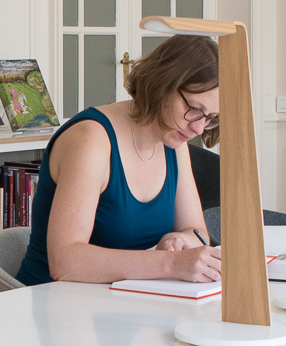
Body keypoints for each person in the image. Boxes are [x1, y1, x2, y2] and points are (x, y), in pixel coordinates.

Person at [15, 36, 220, 285]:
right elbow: (66, 263)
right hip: (53, 303)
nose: (199, 128)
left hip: (117, 302)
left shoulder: (174, 141)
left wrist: (182, 241)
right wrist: (172, 264)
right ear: (162, 84)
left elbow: (199, 235)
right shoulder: (91, 139)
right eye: (195, 109)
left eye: (211, 118)